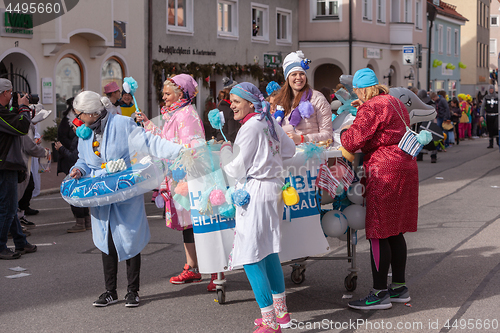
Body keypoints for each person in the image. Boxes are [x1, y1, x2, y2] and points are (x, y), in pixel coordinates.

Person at [69, 90, 182, 307]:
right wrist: (78, 170)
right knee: (106, 242)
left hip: (124, 193)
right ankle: (110, 291)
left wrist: (179, 150)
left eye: (80, 114)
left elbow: (150, 142)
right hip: (101, 196)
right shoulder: (85, 132)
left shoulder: (122, 124)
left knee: (130, 241)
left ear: (92, 113)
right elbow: (83, 160)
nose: (77, 119)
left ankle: (133, 291)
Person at [220, 82, 296, 333]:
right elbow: (290, 149)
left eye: (236, 101)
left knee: (251, 255)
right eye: (231, 101)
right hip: (273, 189)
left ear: (250, 103)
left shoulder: (251, 127)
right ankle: (281, 315)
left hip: (257, 192)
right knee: (269, 251)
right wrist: (268, 159)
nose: (231, 105)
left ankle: (270, 322)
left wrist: (225, 152)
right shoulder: (268, 121)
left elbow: (235, 168)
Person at [340, 68, 417, 310]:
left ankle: (379, 293)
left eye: (356, 90)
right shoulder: (393, 101)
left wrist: (344, 130)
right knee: (395, 230)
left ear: (362, 89)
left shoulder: (371, 107)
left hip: (383, 170)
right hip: (405, 165)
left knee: (378, 231)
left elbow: (352, 141)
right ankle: (399, 287)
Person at [135, 74, 207, 288]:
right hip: (178, 177)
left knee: (197, 223)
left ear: (180, 93)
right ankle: (192, 266)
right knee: (188, 224)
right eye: (163, 93)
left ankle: (210, 269)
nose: (163, 97)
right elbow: (166, 141)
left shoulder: (187, 115)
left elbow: (187, 148)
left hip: (186, 177)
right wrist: (148, 123)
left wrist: (178, 174)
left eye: (167, 93)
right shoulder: (175, 113)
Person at [0, 78, 37, 260]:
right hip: (4, 165)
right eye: (11, 92)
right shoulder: (0, 113)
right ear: (5, 93)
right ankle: (0, 247)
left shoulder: (4, 112)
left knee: (10, 206)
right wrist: (23, 108)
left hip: (6, 163)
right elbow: (21, 126)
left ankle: (20, 241)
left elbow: (13, 120)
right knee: (7, 208)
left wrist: (20, 109)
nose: (13, 95)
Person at [274, 51, 333, 144]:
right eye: (294, 74)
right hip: (287, 154)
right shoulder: (280, 101)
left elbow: (328, 135)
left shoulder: (317, 98)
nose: (298, 77)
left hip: (311, 155)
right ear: (287, 78)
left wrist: (302, 139)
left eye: (301, 74)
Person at [56, 98, 91, 232]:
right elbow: (63, 137)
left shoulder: (80, 132)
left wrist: (62, 149)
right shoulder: (68, 122)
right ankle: (85, 221)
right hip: (72, 161)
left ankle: (81, 223)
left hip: (73, 161)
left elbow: (74, 153)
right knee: (79, 191)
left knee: (76, 192)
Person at [215, 77, 241, 143]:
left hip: (219, 140)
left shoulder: (220, 107)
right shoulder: (231, 110)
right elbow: (232, 132)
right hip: (228, 143)